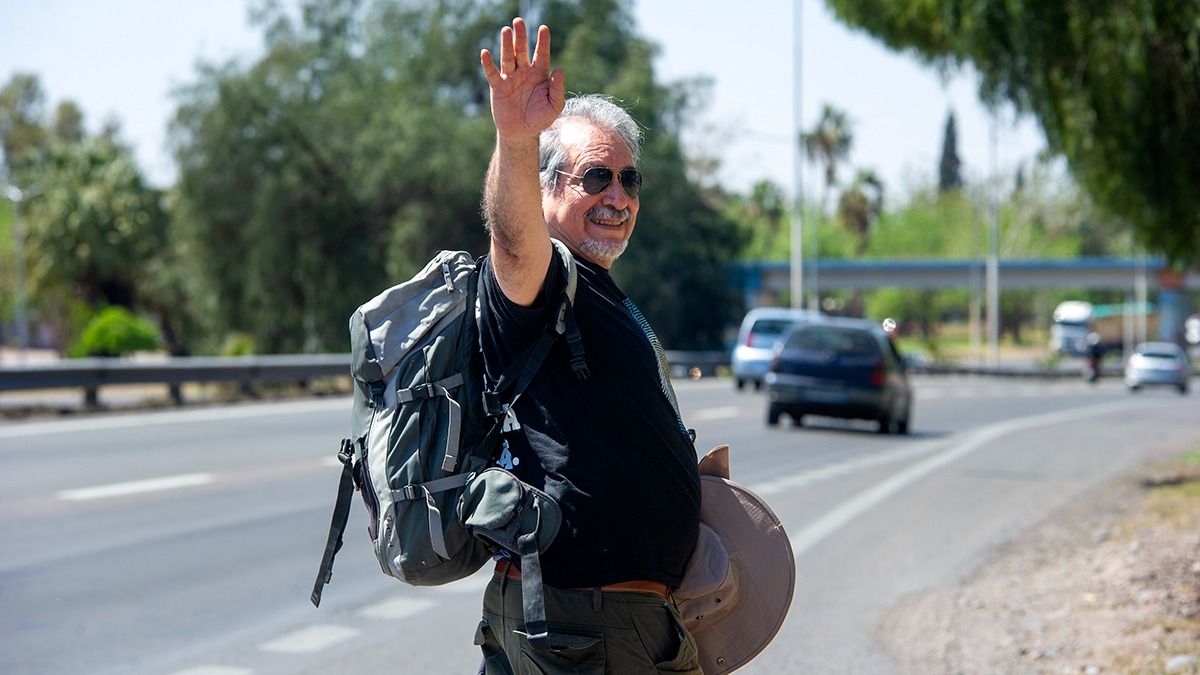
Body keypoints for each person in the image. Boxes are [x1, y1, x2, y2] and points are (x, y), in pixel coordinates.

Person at [472, 17, 703, 674]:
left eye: (630, 181)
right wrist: (516, 138)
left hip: (604, 623)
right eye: (596, 176)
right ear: (545, 189)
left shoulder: (596, 292)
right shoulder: (542, 281)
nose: (618, 196)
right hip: (580, 625)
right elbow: (513, 242)